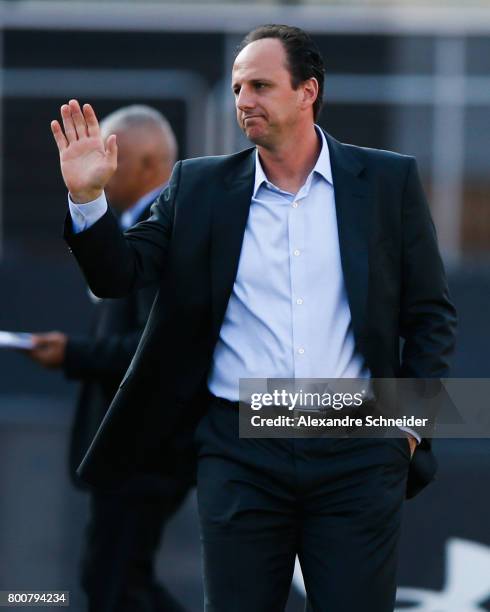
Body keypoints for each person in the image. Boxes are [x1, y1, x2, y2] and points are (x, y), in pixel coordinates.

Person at [50, 25, 457, 612]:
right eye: (239, 87)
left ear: (307, 91)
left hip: (357, 445)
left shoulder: (388, 181)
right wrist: (89, 201)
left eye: (261, 85)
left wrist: (409, 430)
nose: (243, 100)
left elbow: (430, 316)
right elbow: (118, 276)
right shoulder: (199, 186)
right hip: (239, 451)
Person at [30, 105, 193, 612]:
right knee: (115, 581)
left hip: (144, 445)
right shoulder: (124, 228)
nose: (96, 164)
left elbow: (156, 348)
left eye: (109, 154)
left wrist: (72, 353)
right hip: (135, 445)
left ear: (146, 162)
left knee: (113, 583)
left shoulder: (162, 229)